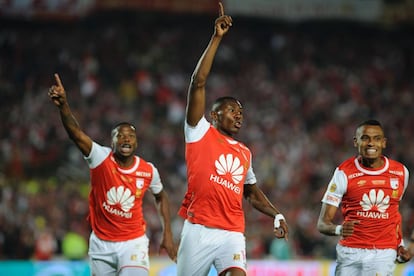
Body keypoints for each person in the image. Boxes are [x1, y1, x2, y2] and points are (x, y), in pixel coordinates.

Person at [176, 3, 288, 275]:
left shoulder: (244, 153)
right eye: (232, 111)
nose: (239, 116)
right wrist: (216, 38)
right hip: (198, 230)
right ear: (214, 115)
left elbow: (251, 192)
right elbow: (197, 82)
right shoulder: (199, 131)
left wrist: (277, 213)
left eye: (241, 113)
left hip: (232, 232)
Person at [48, 73, 177, 276]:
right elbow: (76, 133)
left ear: (136, 143)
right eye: (120, 135)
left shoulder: (148, 170)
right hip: (101, 245)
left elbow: (160, 196)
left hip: (133, 243)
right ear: (112, 142)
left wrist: (167, 233)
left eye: (131, 136)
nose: (126, 138)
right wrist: (64, 105)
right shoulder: (100, 158)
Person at [317, 119, 411, 275]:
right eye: (365, 138)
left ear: (384, 142)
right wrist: (339, 229)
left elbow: (394, 213)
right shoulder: (343, 173)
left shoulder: (401, 172)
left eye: (376, 138)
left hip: (383, 254)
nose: (371, 143)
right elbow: (322, 223)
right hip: (349, 253)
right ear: (356, 142)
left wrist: (399, 244)